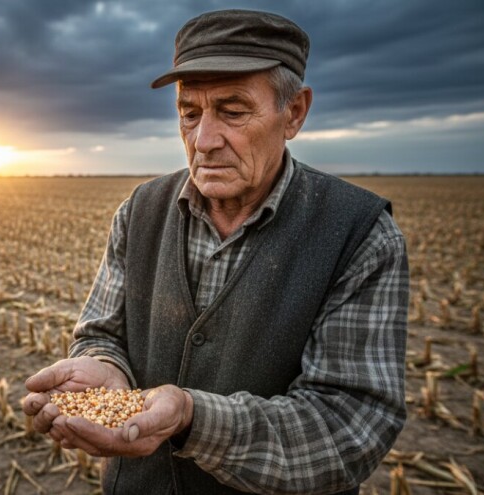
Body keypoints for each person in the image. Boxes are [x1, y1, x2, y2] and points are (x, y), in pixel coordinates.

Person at [22, 9, 408, 495]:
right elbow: (102, 333)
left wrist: (191, 418)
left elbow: (351, 425)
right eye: (190, 113)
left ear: (294, 113)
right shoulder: (139, 211)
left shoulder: (360, 233)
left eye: (233, 110)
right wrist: (104, 367)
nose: (203, 140)